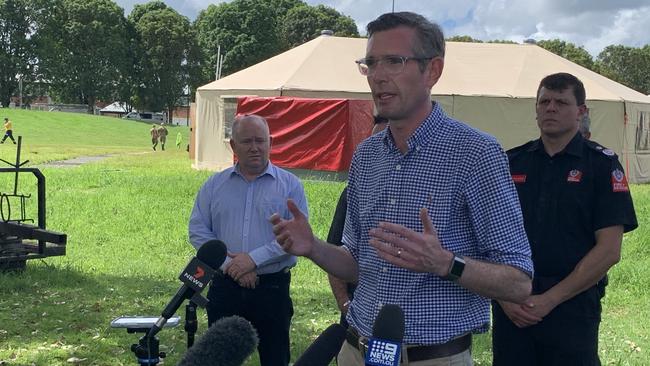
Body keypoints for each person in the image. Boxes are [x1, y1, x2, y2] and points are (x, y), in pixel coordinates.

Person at [271, 12, 533, 366]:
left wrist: (445, 263)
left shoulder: (476, 154)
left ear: (433, 71)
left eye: (394, 61)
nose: (378, 75)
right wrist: (313, 247)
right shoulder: (366, 155)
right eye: (371, 63)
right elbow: (355, 264)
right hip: (356, 351)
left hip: (432, 358)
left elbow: (518, 282)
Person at [492, 72, 638, 366]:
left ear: (581, 111)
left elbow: (609, 250)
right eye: (544, 101)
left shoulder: (601, 165)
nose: (550, 108)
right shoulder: (511, 162)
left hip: (571, 306)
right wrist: (505, 299)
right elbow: (487, 237)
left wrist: (549, 300)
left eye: (561, 102)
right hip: (512, 309)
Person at [189, 114, 308, 366]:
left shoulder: (290, 186)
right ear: (233, 146)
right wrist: (231, 267)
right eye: (246, 142)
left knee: (275, 358)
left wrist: (252, 261)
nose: (254, 147)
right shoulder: (214, 186)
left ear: (271, 142)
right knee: (219, 358)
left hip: (272, 289)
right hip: (224, 288)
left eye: (260, 141)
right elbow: (198, 230)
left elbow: (295, 236)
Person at [327, 115, 388, 328]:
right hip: (358, 316)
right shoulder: (353, 192)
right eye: (373, 143)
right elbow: (335, 251)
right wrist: (345, 304)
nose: (377, 151)